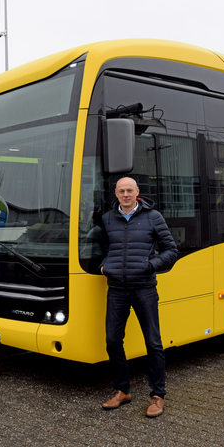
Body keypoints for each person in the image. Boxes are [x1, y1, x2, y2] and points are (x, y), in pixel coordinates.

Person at [99, 177, 177, 418]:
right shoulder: (107, 218)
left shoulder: (153, 217)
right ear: (116, 193)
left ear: (137, 192)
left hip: (144, 288)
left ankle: (157, 395)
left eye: (129, 190)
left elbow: (171, 250)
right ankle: (122, 390)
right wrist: (104, 266)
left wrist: (149, 265)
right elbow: (104, 248)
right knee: (112, 341)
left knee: (153, 342)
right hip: (117, 290)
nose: (125, 194)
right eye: (121, 191)